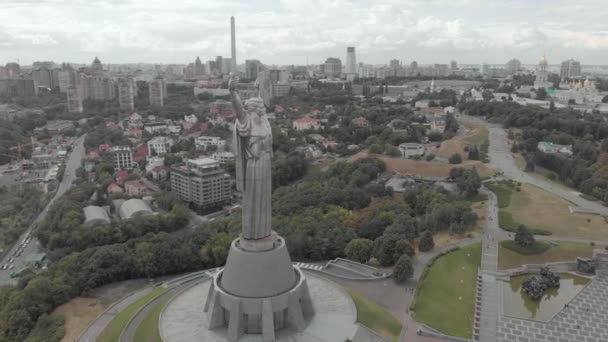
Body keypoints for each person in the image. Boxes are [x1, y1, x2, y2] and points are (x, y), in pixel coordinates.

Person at [229, 75, 273, 240]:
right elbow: (238, 108)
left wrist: (257, 90)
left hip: (265, 161)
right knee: (254, 198)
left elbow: (260, 100)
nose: (264, 109)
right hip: (254, 165)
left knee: (264, 198)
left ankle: (264, 230)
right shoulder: (247, 121)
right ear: (254, 109)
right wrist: (232, 91)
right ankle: (253, 232)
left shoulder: (264, 121)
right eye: (261, 107)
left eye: (263, 107)